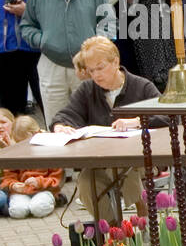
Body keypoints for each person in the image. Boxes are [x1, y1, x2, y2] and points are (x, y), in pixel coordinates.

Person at [50, 37, 163, 223]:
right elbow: (67, 114)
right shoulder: (87, 89)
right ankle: (113, 233)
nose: (96, 75)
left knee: (124, 168)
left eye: (100, 67)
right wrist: (61, 126)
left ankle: (145, 224)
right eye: (91, 70)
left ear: (116, 62)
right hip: (100, 160)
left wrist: (137, 121)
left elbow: (168, 115)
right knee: (86, 179)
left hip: (141, 160)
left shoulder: (142, 86)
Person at [20, 0, 115, 125]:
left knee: (92, 120)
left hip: (88, 65)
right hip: (51, 64)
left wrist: (98, 45)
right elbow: (26, 25)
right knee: (57, 122)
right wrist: (42, 40)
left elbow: (108, 20)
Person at [0, 114, 62, 219]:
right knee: (18, 212)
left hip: (43, 190)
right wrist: (13, 185)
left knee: (38, 209)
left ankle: (56, 200)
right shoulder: (15, 153)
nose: (24, 147)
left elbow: (56, 179)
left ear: (37, 134)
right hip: (22, 192)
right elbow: (8, 176)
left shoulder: (50, 151)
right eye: (19, 143)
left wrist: (39, 182)